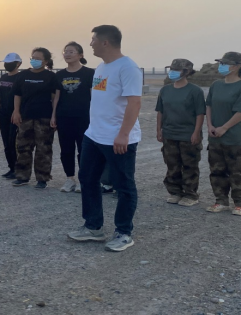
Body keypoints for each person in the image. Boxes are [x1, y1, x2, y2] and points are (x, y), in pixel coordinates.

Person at [67, 25, 142, 252]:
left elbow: (134, 103)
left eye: (93, 40)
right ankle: (93, 227)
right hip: (94, 135)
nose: (90, 43)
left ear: (105, 42)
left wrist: (123, 134)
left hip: (118, 138)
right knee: (88, 179)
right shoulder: (101, 67)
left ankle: (124, 233)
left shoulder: (128, 67)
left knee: (123, 185)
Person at [206, 52, 241, 217]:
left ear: (237, 66)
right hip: (215, 137)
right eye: (221, 63)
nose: (221, 66)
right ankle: (220, 201)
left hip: (236, 138)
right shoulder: (216, 85)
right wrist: (210, 126)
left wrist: (224, 128)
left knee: (237, 172)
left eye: (225, 63)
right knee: (217, 170)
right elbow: (209, 106)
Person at [156, 59, 206, 207]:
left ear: (186, 72)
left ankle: (191, 194)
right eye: (171, 69)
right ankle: (175, 192)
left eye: (176, 70)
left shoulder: (195, 91)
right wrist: (159, 130)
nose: (172, 72)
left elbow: (200, 114)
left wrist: (196, 133)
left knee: (190, 165)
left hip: (188, 135)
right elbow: (160, 111)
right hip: (169, 134)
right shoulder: (165, 90)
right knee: (172, 165)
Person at [11, 48, 60, 190]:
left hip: (44, 117)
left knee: (43, 148)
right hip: (25, 116)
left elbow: (54, 98)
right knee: (23, 147)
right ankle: (22, 176)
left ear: (46, 61)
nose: (34, 60)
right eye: (33, 58)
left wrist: (54, 115)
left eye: (38, 58)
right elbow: (17, 95)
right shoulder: (22, 75)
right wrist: (16, 112)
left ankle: (42, 178)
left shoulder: (51, 76)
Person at [54, 42, 95, 193]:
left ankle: (83, 180)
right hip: (64, 117)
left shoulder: (89, 73)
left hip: (84, 117)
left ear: (80, 55)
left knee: (84, 149)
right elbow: (56, 97)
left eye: (71, 51)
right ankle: (69, 179)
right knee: (66, 149)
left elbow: (93, 96)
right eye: (65, 52)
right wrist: (53, 116)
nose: (67, 54)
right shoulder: (59, 75)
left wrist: (95, 116)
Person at [0, 53, 23, 179]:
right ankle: (11, 168)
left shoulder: (20, 78)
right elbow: (1, 95)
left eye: (10, 63)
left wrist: (18, 112)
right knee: (6, 142)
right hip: (3, 113)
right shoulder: (3, 77)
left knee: (13, 142)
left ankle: (18, 169)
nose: (7, 65)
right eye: (6, 63)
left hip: (15, 114)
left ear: (18, 64)